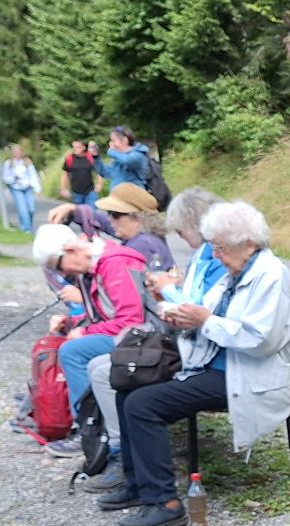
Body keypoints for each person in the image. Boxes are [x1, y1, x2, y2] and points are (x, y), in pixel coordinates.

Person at [95, 201, 290, 526]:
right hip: (213, 365)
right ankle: (138, 482)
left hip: (246, 374)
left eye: (221, 247)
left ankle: (164, 503)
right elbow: (207, 315)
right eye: (213, 247)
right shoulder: (237, 273)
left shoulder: (271, 276)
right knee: (128, 383)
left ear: (249, 243)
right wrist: (182, 315)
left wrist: (204, 321)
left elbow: (260, 340)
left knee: (142, 404)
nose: (216, 255)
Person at [81, 187, 233, 489]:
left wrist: (168, 290)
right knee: (120, 378)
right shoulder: (207, 253)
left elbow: (203, 312)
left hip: (212, 359)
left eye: (116, 214)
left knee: (132, 391)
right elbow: (199, 310)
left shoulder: (217, 257)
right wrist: (171, 292)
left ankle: (157, 494)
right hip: (196, 349)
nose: (178, 237)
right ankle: (135, 478)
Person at [28, 223, 149, 458]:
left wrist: (84, 332)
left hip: (144, 337)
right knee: (70, 343)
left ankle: (88, 428)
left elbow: (130, 320)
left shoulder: (113, 263)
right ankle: (89, 424)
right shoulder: (95, 266)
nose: (63, 275)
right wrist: (73, 322)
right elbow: (105, 313)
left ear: (71, 249)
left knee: (72, 351)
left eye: (59, 266)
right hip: (129, 334)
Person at [93, 183, 175, 272]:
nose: (110, 219)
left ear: (138, 218)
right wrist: (79, 212)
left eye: (115, 214)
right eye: (109, 213)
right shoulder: (146, 236)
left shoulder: (142, 245)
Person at [0, 145, 40, 232]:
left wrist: (37, 188)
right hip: (16, 188)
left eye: (19, 152)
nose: (17, 154)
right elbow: (5, 177)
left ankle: (27, 224)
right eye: (15, 152)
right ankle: (26, 229)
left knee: (31, 208)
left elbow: (33, 175)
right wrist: (13, 178)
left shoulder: (27, 162)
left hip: (27, 187)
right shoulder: (9, 163)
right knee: (23, 209)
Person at [61, 140, 101, 205]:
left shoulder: (90, 157)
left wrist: (99, 184)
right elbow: (65, 174)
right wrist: (63, 188)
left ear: (83, 147)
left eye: (77, 147)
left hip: (90, 191)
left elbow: (99, 171)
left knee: (91, 212)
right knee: (79, 214)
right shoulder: (69, 158)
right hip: (76, 193)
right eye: (74, 147)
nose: (75, 149)